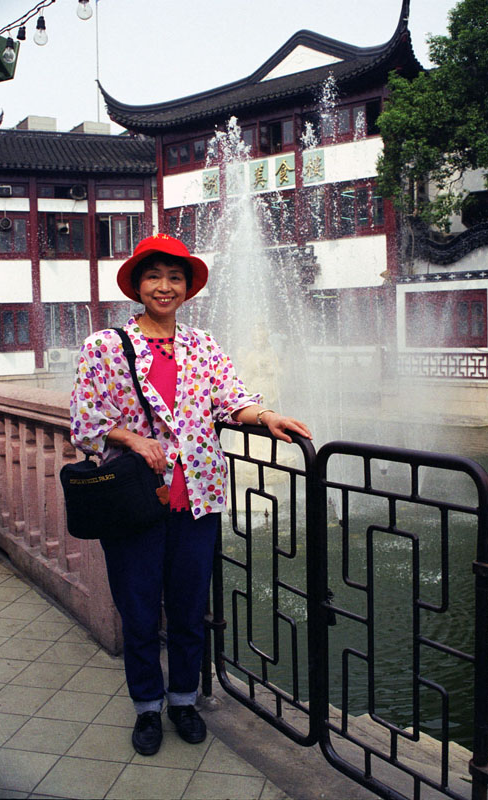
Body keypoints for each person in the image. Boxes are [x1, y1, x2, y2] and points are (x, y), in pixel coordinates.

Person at [69, 233, 311, 756]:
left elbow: (231, 399)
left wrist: (267, 416)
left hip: (197, 498)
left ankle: (183, 701)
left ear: (187, 287)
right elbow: (85, 422)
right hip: (134, 502)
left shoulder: (202, 346)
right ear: (138, 286)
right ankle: (146, 708)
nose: (165, 287)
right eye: (154, 276)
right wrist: (133, 438)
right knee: (138, 612)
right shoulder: (105, 346)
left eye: (175, 278)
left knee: (188, 608)